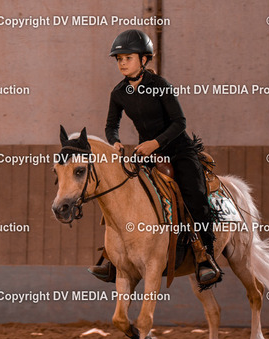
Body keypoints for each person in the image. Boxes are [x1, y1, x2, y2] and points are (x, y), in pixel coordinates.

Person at [88, 29, 221, 288]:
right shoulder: (118, 93)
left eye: (127, 58)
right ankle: (112, 257)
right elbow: (111, 125)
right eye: (119, 59)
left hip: (179, 150)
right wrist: (114, 141)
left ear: (144, 59)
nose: (122, 63)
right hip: (146, 154)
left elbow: (179, 122)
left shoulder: (160, 85)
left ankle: (205, 256)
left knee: (194, 195)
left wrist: (155, 143)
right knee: (121, 195)